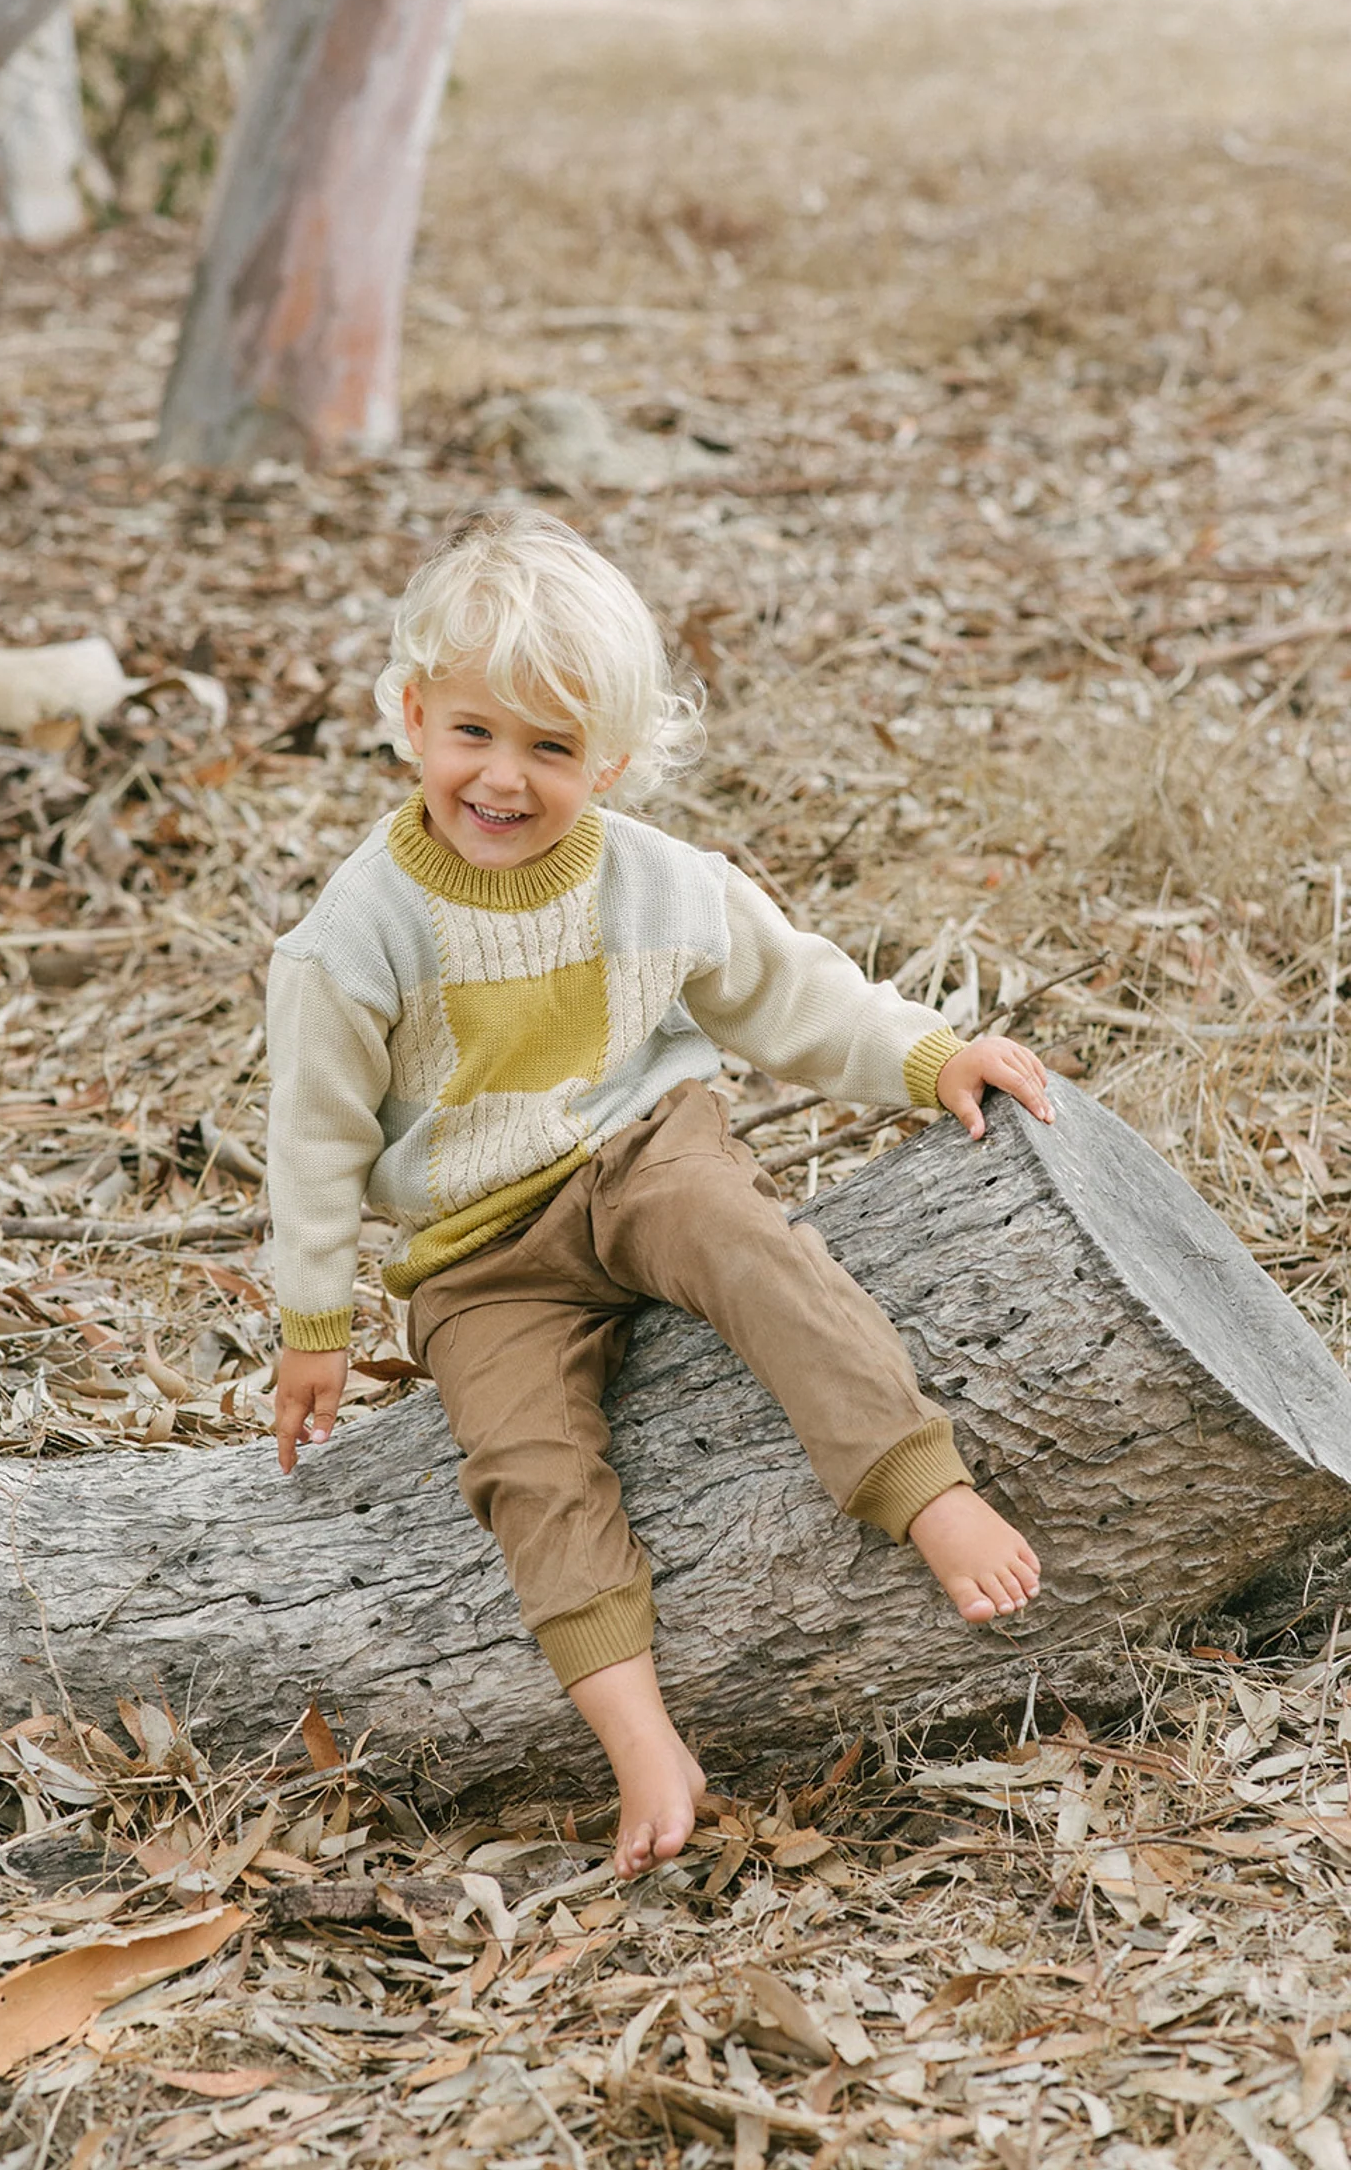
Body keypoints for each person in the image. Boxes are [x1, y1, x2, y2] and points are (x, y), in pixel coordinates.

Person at [268, 508, 1049, 1879]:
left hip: (639, 1152)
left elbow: (794, 994)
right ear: (410, 716)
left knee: (759, 1254)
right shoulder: (354, 935)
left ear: (612, 761)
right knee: (526, 1466)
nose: (503, 779)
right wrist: (313, 1324)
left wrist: (926, 1055)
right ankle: (638, 1731)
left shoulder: (660, 883)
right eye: (474, 734)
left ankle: (923, 1488)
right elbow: (316, 1138)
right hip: (476, 1248)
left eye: (551, 749)